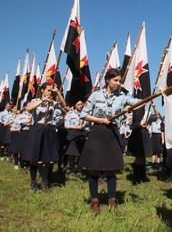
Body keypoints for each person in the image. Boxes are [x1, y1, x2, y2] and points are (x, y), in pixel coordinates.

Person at [79, 68, 140, 215]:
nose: (118, 83)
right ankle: (95, 201)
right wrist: (100, 120)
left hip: (113, 133)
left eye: (120, 81)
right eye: (115, 80)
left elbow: (139, 103)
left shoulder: (122, 97)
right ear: (107, 80)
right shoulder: (95, 95)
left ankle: (112, 200)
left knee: (111, 168)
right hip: (97, 133)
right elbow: (83, 114)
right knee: (94, 168)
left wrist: (133, 105)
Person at [23, 83, 66, 192]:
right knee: (35, 158)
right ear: (42, 90)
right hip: (37, 128)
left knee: (47, 158)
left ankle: (45, 180)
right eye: (48, 90)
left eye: (51, 91)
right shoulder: (35, 101)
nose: (50, 92)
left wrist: (57, 92)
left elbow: (64, 105)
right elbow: (29, 108)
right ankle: (33, 181)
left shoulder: (53, 103)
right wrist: (43, 100)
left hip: (49, 129)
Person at [64, 100, 86, 178]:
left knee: (81, 154)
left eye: (81, 104)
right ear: (75, 105)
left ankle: (80, 171)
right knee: (72, 154)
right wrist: (76, 127)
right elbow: (66, 125)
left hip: (82, 134)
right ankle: (72, 171)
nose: (80, 105)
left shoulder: (85, 114)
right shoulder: (70, 114)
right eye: (78, 104)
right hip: (73, 134)